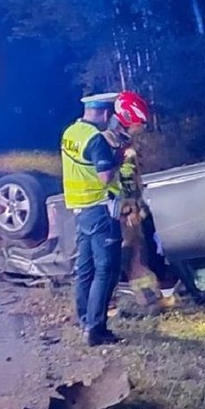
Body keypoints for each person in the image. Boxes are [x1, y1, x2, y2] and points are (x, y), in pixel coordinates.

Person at [60, 90, 150, 345]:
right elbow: (104, 177)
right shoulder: (96, 139)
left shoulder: (70, 133)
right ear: (103, 112)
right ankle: (96, 329)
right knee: (106, 271)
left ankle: (84, 320)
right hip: (100, 209)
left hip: (81, 209)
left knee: (85, 270)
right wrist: (119, 159)